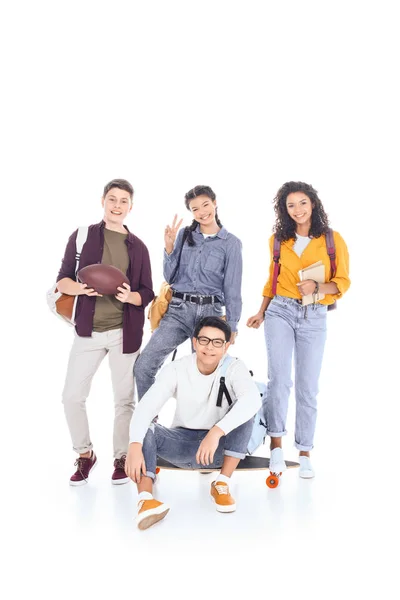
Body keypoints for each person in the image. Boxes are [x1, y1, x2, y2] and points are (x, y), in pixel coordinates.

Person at [247, 181, 350, 478]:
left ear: (313, 204)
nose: (298, 210)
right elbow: (272, 278)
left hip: (314, 315)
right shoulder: (278, 240)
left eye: (302, 203)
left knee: (308, 386)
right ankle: (276, 447)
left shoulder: (332, 240)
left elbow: (342, 282)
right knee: (279, 380)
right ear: (284, 209)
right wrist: (261, 312)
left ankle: (305, 451)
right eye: (291, 205)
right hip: (280, 310)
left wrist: (318, 287)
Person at [56, 178, 154, 486]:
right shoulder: (83, 236)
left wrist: (130, 297)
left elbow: (147, 292)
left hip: (124, 333)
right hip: (88, 331)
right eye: (112, 199)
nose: (117, 205)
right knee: (71, 396)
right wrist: (81, 289)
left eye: (123, 201)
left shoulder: (138, 247)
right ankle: (85, 455)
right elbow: (62, 280)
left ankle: (121, 457)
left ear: (131, 207)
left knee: (124, 400)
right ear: (103, 201)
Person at [125, 316, 261, 530]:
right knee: (146, 426)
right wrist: (134, 444)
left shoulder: (235, 367)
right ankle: (146, 500)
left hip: (219, 449)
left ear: (226, 346)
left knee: (245, 408)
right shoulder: (177, 369)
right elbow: (146, 407)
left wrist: (216, 432)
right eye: (204, 340)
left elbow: (253, 400)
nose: (210, 347)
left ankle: (222, 483)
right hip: (181, 445)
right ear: (195, 342)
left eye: (217, 342)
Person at [134, 185, 243, 400]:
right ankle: (149, 422)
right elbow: (171, 277)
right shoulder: (184, 235)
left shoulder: (231, 244)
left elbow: (233, 288)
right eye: (195, 209)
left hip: (210, 315)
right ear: (191, 212)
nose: (202, 212)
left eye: (205, 205)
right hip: (178, 310)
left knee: (204, 377)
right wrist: (168, 247)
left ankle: (200, 429)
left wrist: (231, 326)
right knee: (143, 365)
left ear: (215, 203)